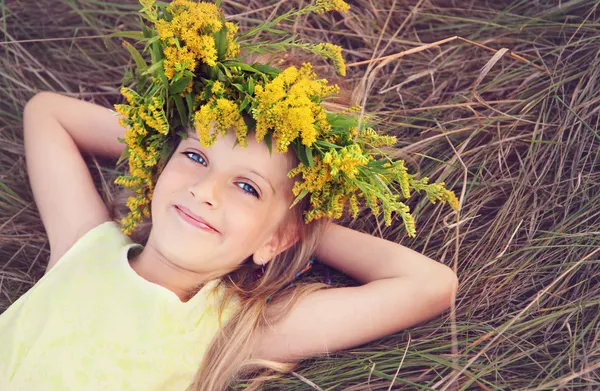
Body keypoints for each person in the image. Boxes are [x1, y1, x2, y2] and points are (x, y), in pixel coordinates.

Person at [0, 1, 460, 390]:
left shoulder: (239, 328)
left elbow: (429, 285)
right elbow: (47, 114)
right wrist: (152, 144)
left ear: (274, 240)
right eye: (197, 158)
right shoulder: (84, 243)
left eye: (247, 187)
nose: (205, 190)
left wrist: (297, 228)